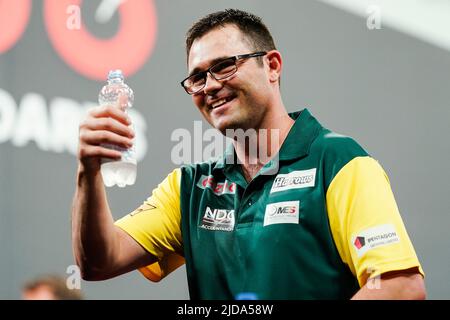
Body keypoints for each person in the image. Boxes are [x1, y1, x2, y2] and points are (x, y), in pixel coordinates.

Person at [72, 9, 425, 299]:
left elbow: (400, 286)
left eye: (225, 65)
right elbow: (99, 262)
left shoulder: (339, 161)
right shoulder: (191, 186)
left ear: (272, 66)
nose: (209, 86)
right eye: (197, 77)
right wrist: (87, 171)